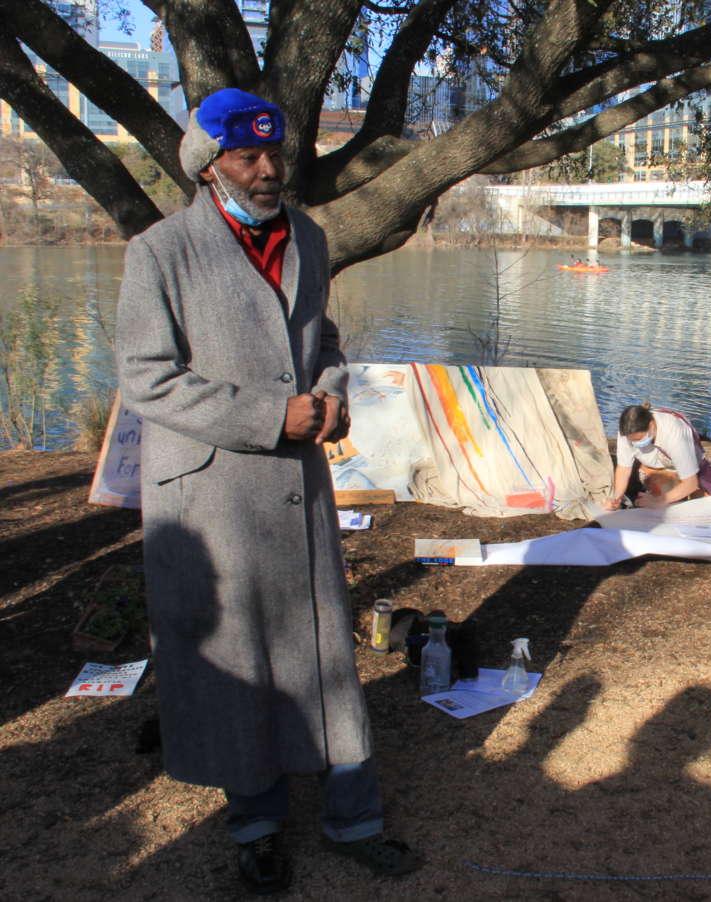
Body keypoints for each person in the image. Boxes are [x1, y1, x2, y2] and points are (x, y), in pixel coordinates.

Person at [116, 89, 420, 895]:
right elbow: (146, 380)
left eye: (273, 155)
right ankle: (255, 827)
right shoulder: (160, 251)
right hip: (214, 496)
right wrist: (266, 415)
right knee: (242, 660)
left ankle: (355, 820)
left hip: (298, 484)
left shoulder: (307, 238)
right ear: (208, 166)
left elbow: (323, 336)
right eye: (247, 158)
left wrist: (331, 393)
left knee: (324, 655)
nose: (266, 170)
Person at [602, 404, 711, 509]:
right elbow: (624, 468)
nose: (635, 443)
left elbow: (691, 483)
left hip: (689, 471)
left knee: (709, 509)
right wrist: (616, 498)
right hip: (656, 468)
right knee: (657, 508)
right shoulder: (626, 431)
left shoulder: (674, 433)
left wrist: (658, 501)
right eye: (632, 441)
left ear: (651, 426)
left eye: (639, 439)